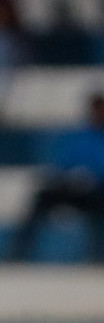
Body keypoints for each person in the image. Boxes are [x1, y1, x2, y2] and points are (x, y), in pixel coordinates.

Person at [8, 93, 104, 263]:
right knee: (43, 197)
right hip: (74, 188)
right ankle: (18, 253)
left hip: (98, 191)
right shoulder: (78, 136)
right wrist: (71, 178)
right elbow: (61, 165)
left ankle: (97, 256)